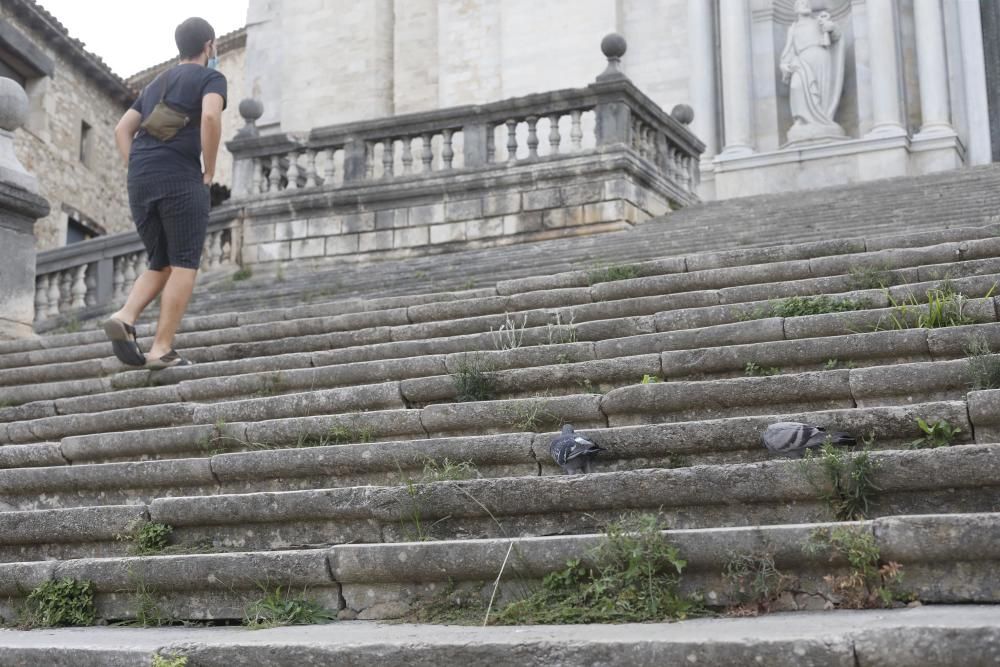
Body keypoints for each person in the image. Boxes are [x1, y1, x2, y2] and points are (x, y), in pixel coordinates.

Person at [105, 17, 227, 369]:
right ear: (209, 45)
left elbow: (121, 129)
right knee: (185, 261)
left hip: (141, 177)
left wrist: (139, 167)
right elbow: (210, 118)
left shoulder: (157, 82)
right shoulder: (211, 77)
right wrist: (210, 168)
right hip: (179, 178)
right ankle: (161, 349)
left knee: (161, 260)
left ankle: (126, 316)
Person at [779, 0, 846, 145]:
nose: (806, 4)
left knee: (821, 91)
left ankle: (823, 118)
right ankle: (802, 120)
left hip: (821, 57)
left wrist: (831, 27)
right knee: (796, 86)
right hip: (802, 61)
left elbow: (836, 36)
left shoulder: (819, 21)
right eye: (802, 3)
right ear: (795, 8)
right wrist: (785, 64)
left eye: (807, 2)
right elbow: (789, 49)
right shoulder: (793, 28)